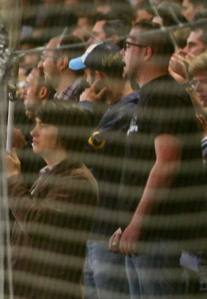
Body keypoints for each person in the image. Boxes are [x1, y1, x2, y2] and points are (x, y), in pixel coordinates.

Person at [112, 22, 207, 297]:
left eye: (128, 46)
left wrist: (137, 223)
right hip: (143, 234)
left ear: (146, 52)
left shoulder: (164, 94)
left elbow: (166, 163)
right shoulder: (149, 96)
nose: (122, 53)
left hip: (157, 234)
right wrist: (126, 224)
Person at [6, 102, 99, 299]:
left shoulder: (76, 180)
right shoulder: (52, 175)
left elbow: (36, 223)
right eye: (36, 124)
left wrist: (13, 178)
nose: (33, 132)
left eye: (43, 125)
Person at [74, 42, 137, 299]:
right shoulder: (114, 110)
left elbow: (82, 152)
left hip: (109, 229)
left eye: (88, 77)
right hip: (98, 228)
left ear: (97, 75)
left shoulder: (127, 110)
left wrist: (86, 108)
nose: (86, 86)